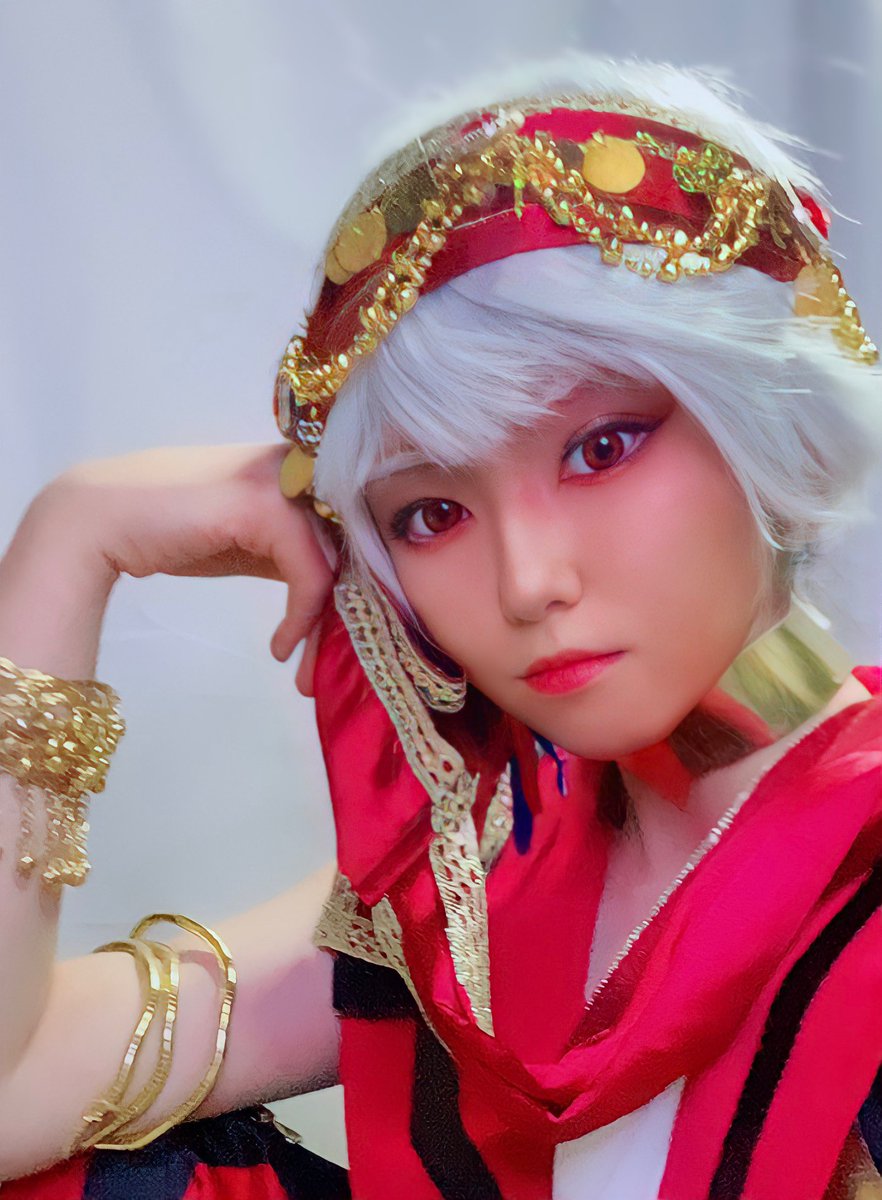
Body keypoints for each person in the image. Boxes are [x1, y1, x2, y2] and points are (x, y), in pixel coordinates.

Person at [1, 53, 881, 1200]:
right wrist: (69, 545)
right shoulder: (470, 888)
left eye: (602, 448)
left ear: (770, 414)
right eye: (431, 513)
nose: (528, 583)